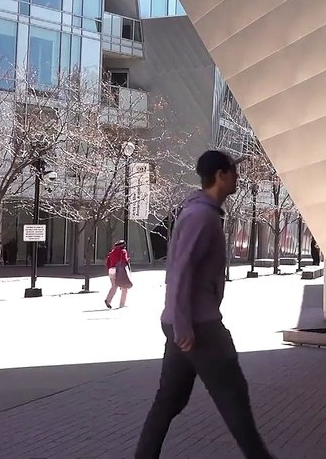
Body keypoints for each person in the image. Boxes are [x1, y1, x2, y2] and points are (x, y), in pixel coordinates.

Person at [134, 150, 276, 459]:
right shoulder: (201, 216)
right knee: (233, 396)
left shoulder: (200, 212)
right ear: (221, 176)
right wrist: (184, 325)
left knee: (170, 399)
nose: (238, 177)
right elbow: (182, 271)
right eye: (233, 172)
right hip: (199, 326)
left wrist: (178, 323)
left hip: (183, 321)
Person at [105, 240, 133, 309]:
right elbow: (124, 260)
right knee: (124, 287)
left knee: (114, 286)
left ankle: (108, 300)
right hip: (119, 270)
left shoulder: (112, 252)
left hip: (111, 270)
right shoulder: (123, 251)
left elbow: (107, 263)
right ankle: (122, 304)